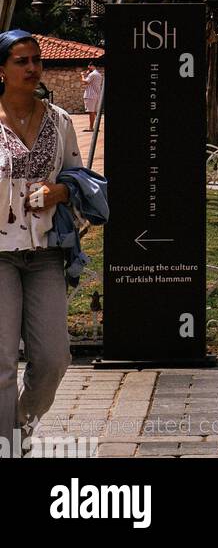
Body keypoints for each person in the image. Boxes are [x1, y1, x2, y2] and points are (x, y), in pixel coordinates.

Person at [0, 30, 80, 456]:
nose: (32, 68)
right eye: (20, 61)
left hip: (46, 251)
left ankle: (19, 428)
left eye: (36, 60)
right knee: (2, 367)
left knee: (53, 361)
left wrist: (59, 193)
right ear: (1, 70)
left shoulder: (60, 121)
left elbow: (77, 181)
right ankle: (7, 449)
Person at [79, 61, 103, 133]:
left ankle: (91, 128)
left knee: (91, 112)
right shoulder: (98, 74)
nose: (88, 68)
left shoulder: (92, 74)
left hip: (90, 95)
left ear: (92, 66)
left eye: (89, 67)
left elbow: (85, 82)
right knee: (94, 112)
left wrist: (82, 75)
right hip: (96, 95)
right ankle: (93, 127)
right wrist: (88, 74)